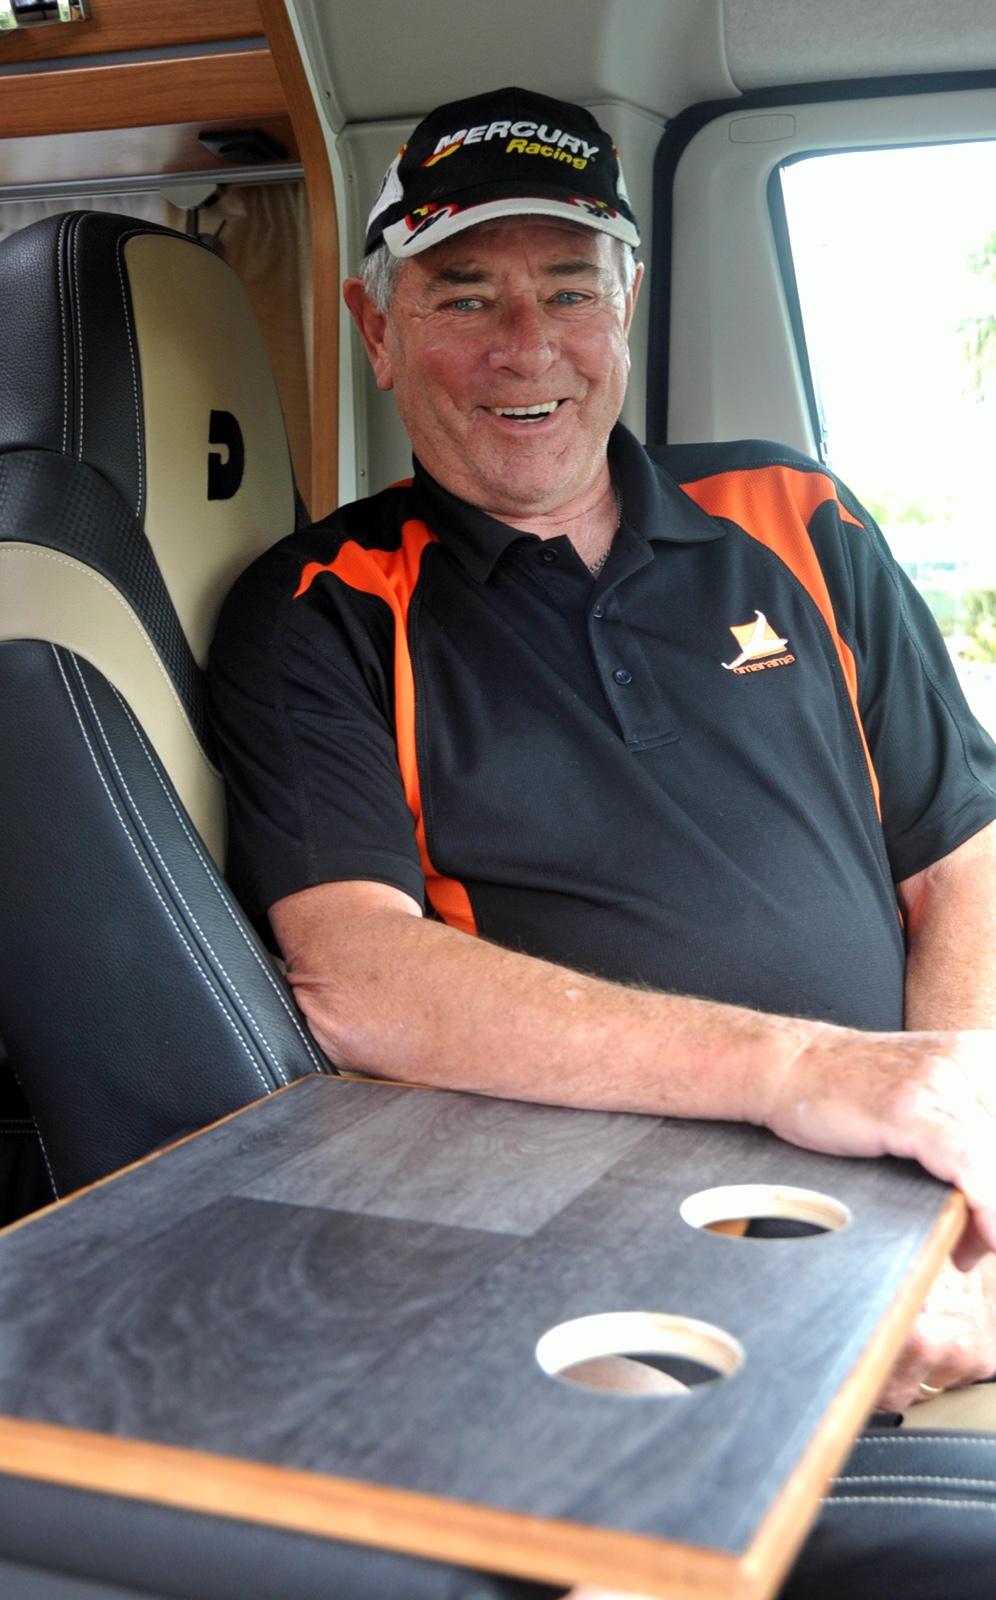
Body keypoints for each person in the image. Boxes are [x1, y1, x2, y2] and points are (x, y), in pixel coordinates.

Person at [209, 87, 996, 1600]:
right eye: (464, 297)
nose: (529, 347)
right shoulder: (322, 609)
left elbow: (962, 861)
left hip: (916, 1162)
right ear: (379, 332)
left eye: (570, 290)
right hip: (609, 1242)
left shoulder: (796, 512)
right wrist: (805, 1071)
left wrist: (950, 1195)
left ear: (624, 309)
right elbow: (358, 975)